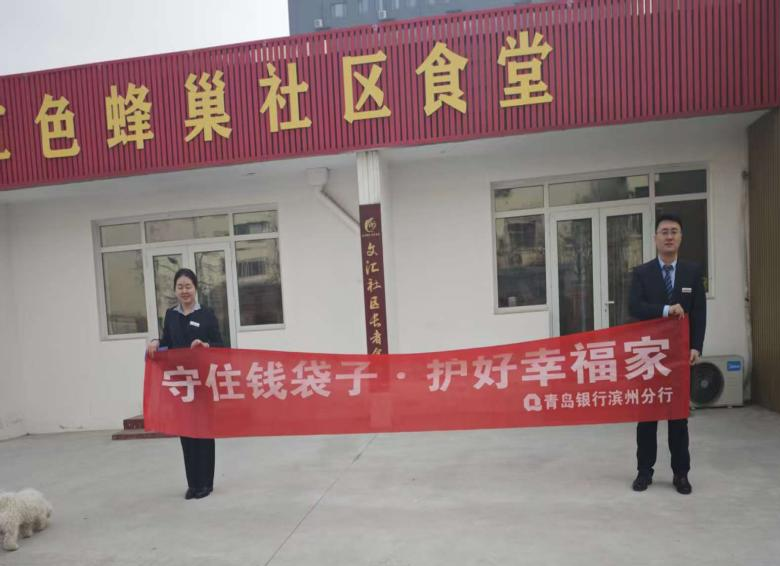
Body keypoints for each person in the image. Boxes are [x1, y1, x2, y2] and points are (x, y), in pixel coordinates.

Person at [628, 213, 706, 495]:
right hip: (649, 357)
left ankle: (681, 474)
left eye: (674, 231)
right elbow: (635, 307)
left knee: (678, 419)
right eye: (664, 232)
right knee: (647, 418)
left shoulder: (692, 272)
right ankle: (644, 472)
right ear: (655, 238)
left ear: (680, 237)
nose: (669, 236)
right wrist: (664, 310)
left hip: (679, 358)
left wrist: (696, 346)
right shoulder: (642, 272)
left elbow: (699, 311)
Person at [146, 268, 223, 500]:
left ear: (195, 288)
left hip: (202, 384)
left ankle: (206, 483)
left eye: (188, 286)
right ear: (175, 290)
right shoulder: (171, 315)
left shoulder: (207, 315)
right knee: (186, 434)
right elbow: (167, 343)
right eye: (180, 287)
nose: (184, 291)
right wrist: (156, 342)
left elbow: (221, 346)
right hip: (181, 385)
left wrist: (205, 346)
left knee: (204, 434)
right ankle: (193, 483)